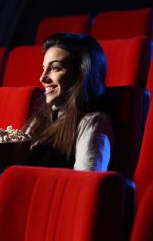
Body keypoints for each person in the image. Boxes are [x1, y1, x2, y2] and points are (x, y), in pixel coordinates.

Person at [24, 33, 113, 171]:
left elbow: (85, 185)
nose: (42, 78)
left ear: (81, 75)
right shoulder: (39, 120)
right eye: (43, 69)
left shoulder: (92, 123)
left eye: (55, 68)